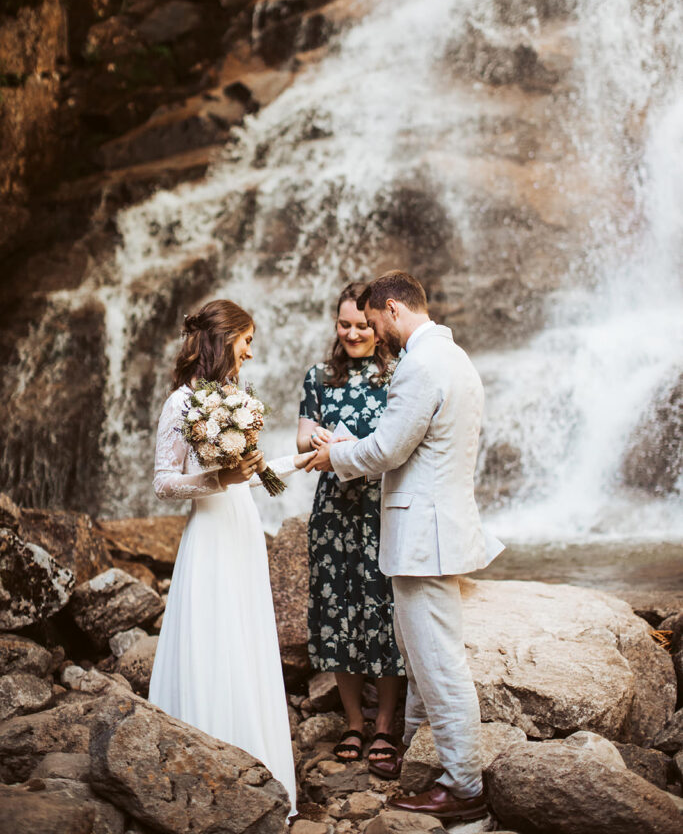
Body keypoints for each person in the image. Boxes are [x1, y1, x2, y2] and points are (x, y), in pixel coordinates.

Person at [307, 271, 504, 822]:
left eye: (372, 322)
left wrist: (334, 456)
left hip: (425, 539)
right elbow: (416, 446)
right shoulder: (455, 357)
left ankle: (464, 785)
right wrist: (354, 443)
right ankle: (421, 757)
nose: (373, 332)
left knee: (439, 664)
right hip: (439, 529)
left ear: (391, 310)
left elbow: (390, 449)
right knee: (422, 658)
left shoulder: (419, 364)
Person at [148, 298, 313, 816]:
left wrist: (301, 460)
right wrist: (216, 478)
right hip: (211, 532)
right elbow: (163, 483)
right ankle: (204, 776)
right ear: (224, 341)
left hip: (241, 525)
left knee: (244, 639)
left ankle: (256, 772)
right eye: (246, 342)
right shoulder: (182, 404)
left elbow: (256, 475)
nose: (250, 353)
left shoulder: (236, 396)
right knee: (213, 637)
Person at [297, 282, 405, 777]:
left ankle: (385, 724)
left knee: (381, 611)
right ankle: (354, 722)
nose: (354, 333)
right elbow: (302, 438)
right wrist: (317, 439)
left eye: (363, 325)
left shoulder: (397, 373)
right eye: (345, 325)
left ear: (379, 326)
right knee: (338, 609)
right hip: (333, 515)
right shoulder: (318, 377)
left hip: (380, 509)